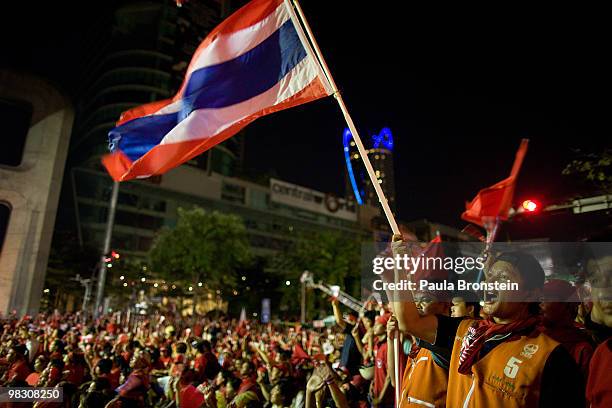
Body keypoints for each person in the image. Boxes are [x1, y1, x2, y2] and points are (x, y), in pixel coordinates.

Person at [390, 236, 586, 407]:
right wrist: (399, 264)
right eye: (489, 277)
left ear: (530, 293)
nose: (489, 283)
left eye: (502, 277)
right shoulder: (463, 331)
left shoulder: (550, 356)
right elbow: (409, 322)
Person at [538, 279, 594, 379]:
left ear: (568, 306)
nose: (539, 304)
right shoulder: (532, 335)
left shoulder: (582, 350)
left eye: (544, 299)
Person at [369, 313, 393, 408]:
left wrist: (380, 398)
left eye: (377, 324)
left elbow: (389, 375)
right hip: (377, 393)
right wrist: (373, 382)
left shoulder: (388, 347)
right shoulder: (378, 344)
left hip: (386, 399)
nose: (374, 327)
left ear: (385, 327)